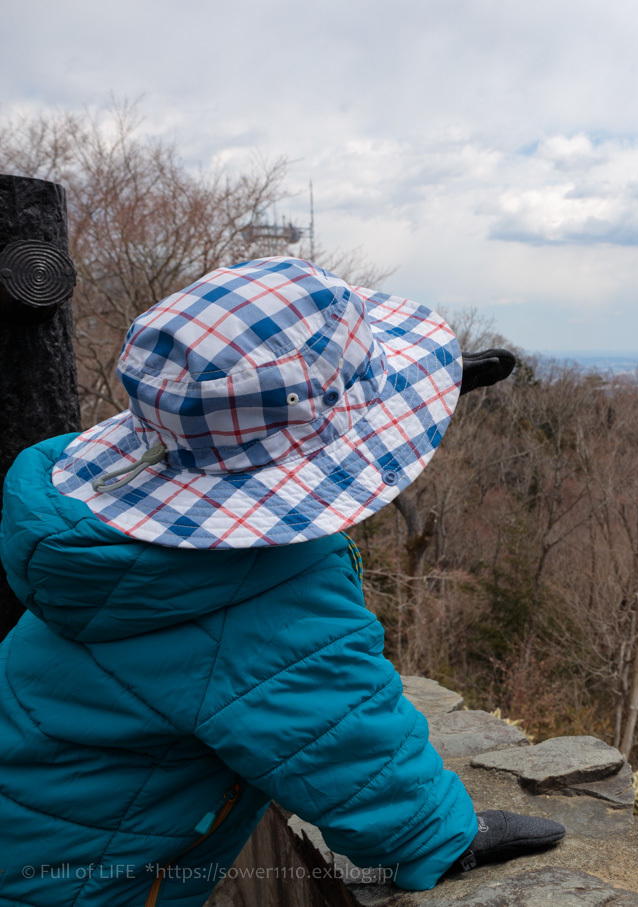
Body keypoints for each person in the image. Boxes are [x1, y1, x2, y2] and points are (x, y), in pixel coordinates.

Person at [0, 258, 561, 906]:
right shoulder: (260, 601)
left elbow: (249, 444)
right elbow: (350, 738)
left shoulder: (103, 545)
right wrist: (442, 836)